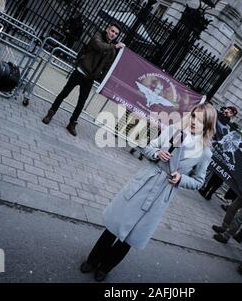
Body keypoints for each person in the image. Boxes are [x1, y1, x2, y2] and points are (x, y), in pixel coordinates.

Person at [79, 103, 217, 282]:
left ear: (207, 126)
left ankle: (105, 267)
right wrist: (157, 153)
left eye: (200, 121)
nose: (194, 122)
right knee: (115, 225)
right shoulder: (173, 131)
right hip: (144, 183)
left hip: (162, 195)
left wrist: (181, 179)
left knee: (131, 235)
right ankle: (93, 260)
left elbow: (199, 181)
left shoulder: (205, 153)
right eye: (193, 116)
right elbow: (146, 146)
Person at [42, 23, 125, 136]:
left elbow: (107, 66)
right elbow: (99, 46)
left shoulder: (112, 50)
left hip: (90, 78)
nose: (113, 34)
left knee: (81, 102)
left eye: (116, 33)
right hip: (80, 71)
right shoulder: (98, 37)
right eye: (112, 31)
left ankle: (72, 123)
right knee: (64, 93)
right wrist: (114, 46)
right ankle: (50, 113)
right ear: (107, 29)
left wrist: (98, 76)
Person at [200, 105, 238, 200]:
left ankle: (203, 183)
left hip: (213, 143)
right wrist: (222, 113)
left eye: (231, 112)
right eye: (228, 109)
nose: (228, 111)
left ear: (232, 115)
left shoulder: (229, 125)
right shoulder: (218, 114)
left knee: (208, 163)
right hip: (206, 136)